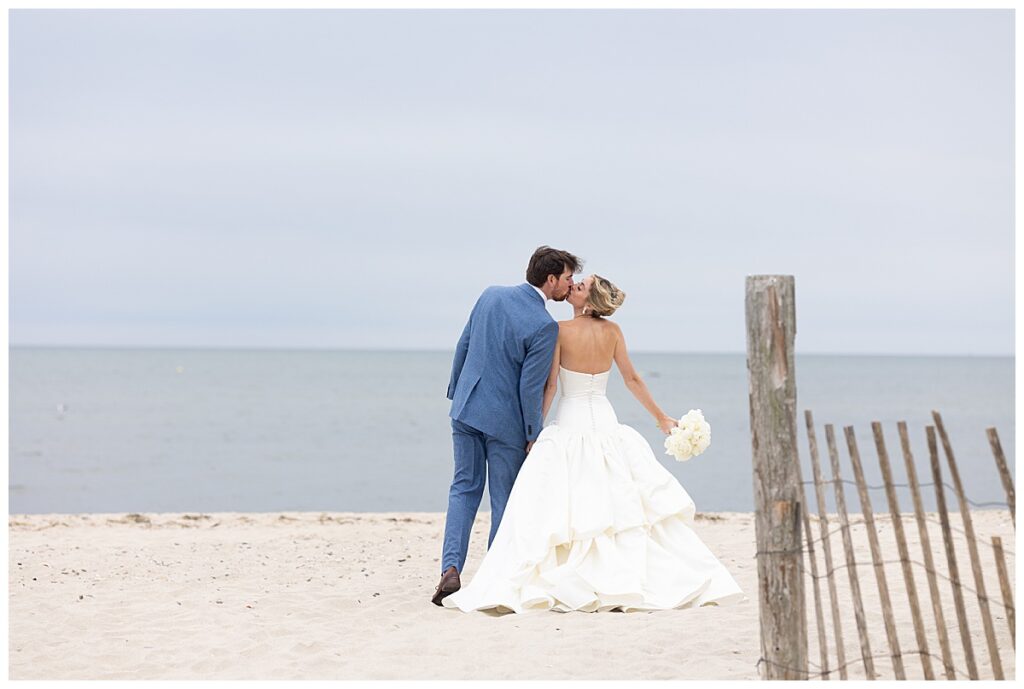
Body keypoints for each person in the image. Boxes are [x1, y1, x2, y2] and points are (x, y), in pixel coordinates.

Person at [441, 274, 746, 613]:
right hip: (605, 420)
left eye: (580, 286)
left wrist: (534, 432)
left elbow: (551, 387)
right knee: (614, 497)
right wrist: (660, 417)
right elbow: (631, 379)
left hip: (570, 421)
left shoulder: (560, 331)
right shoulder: (613, 333)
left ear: (588, 301)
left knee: (556, 500)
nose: (573, 287)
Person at [432, 246, 583, 606]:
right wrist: (533, 432)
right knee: (503, 500)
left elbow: (463, 345)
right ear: (551, 280)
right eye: (566, 278)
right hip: (505, 424)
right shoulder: (544, 325)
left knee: (463, 489)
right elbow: (529, 387)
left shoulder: (490, 295)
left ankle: (450, 568)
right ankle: (491, 577)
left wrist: (457, 391)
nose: (569, 284)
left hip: (466, 410)